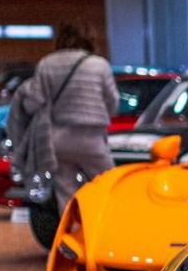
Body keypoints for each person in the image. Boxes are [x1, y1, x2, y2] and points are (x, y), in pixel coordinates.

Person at [10, 23, 117, 212]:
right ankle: (103, 230)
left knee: (65, 193)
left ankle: (71, 237)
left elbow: (33, 102)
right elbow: (112, 101)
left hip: (57, 140)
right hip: (92, 139)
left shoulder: (46, 63)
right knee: (109, 185)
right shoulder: (99, 65)